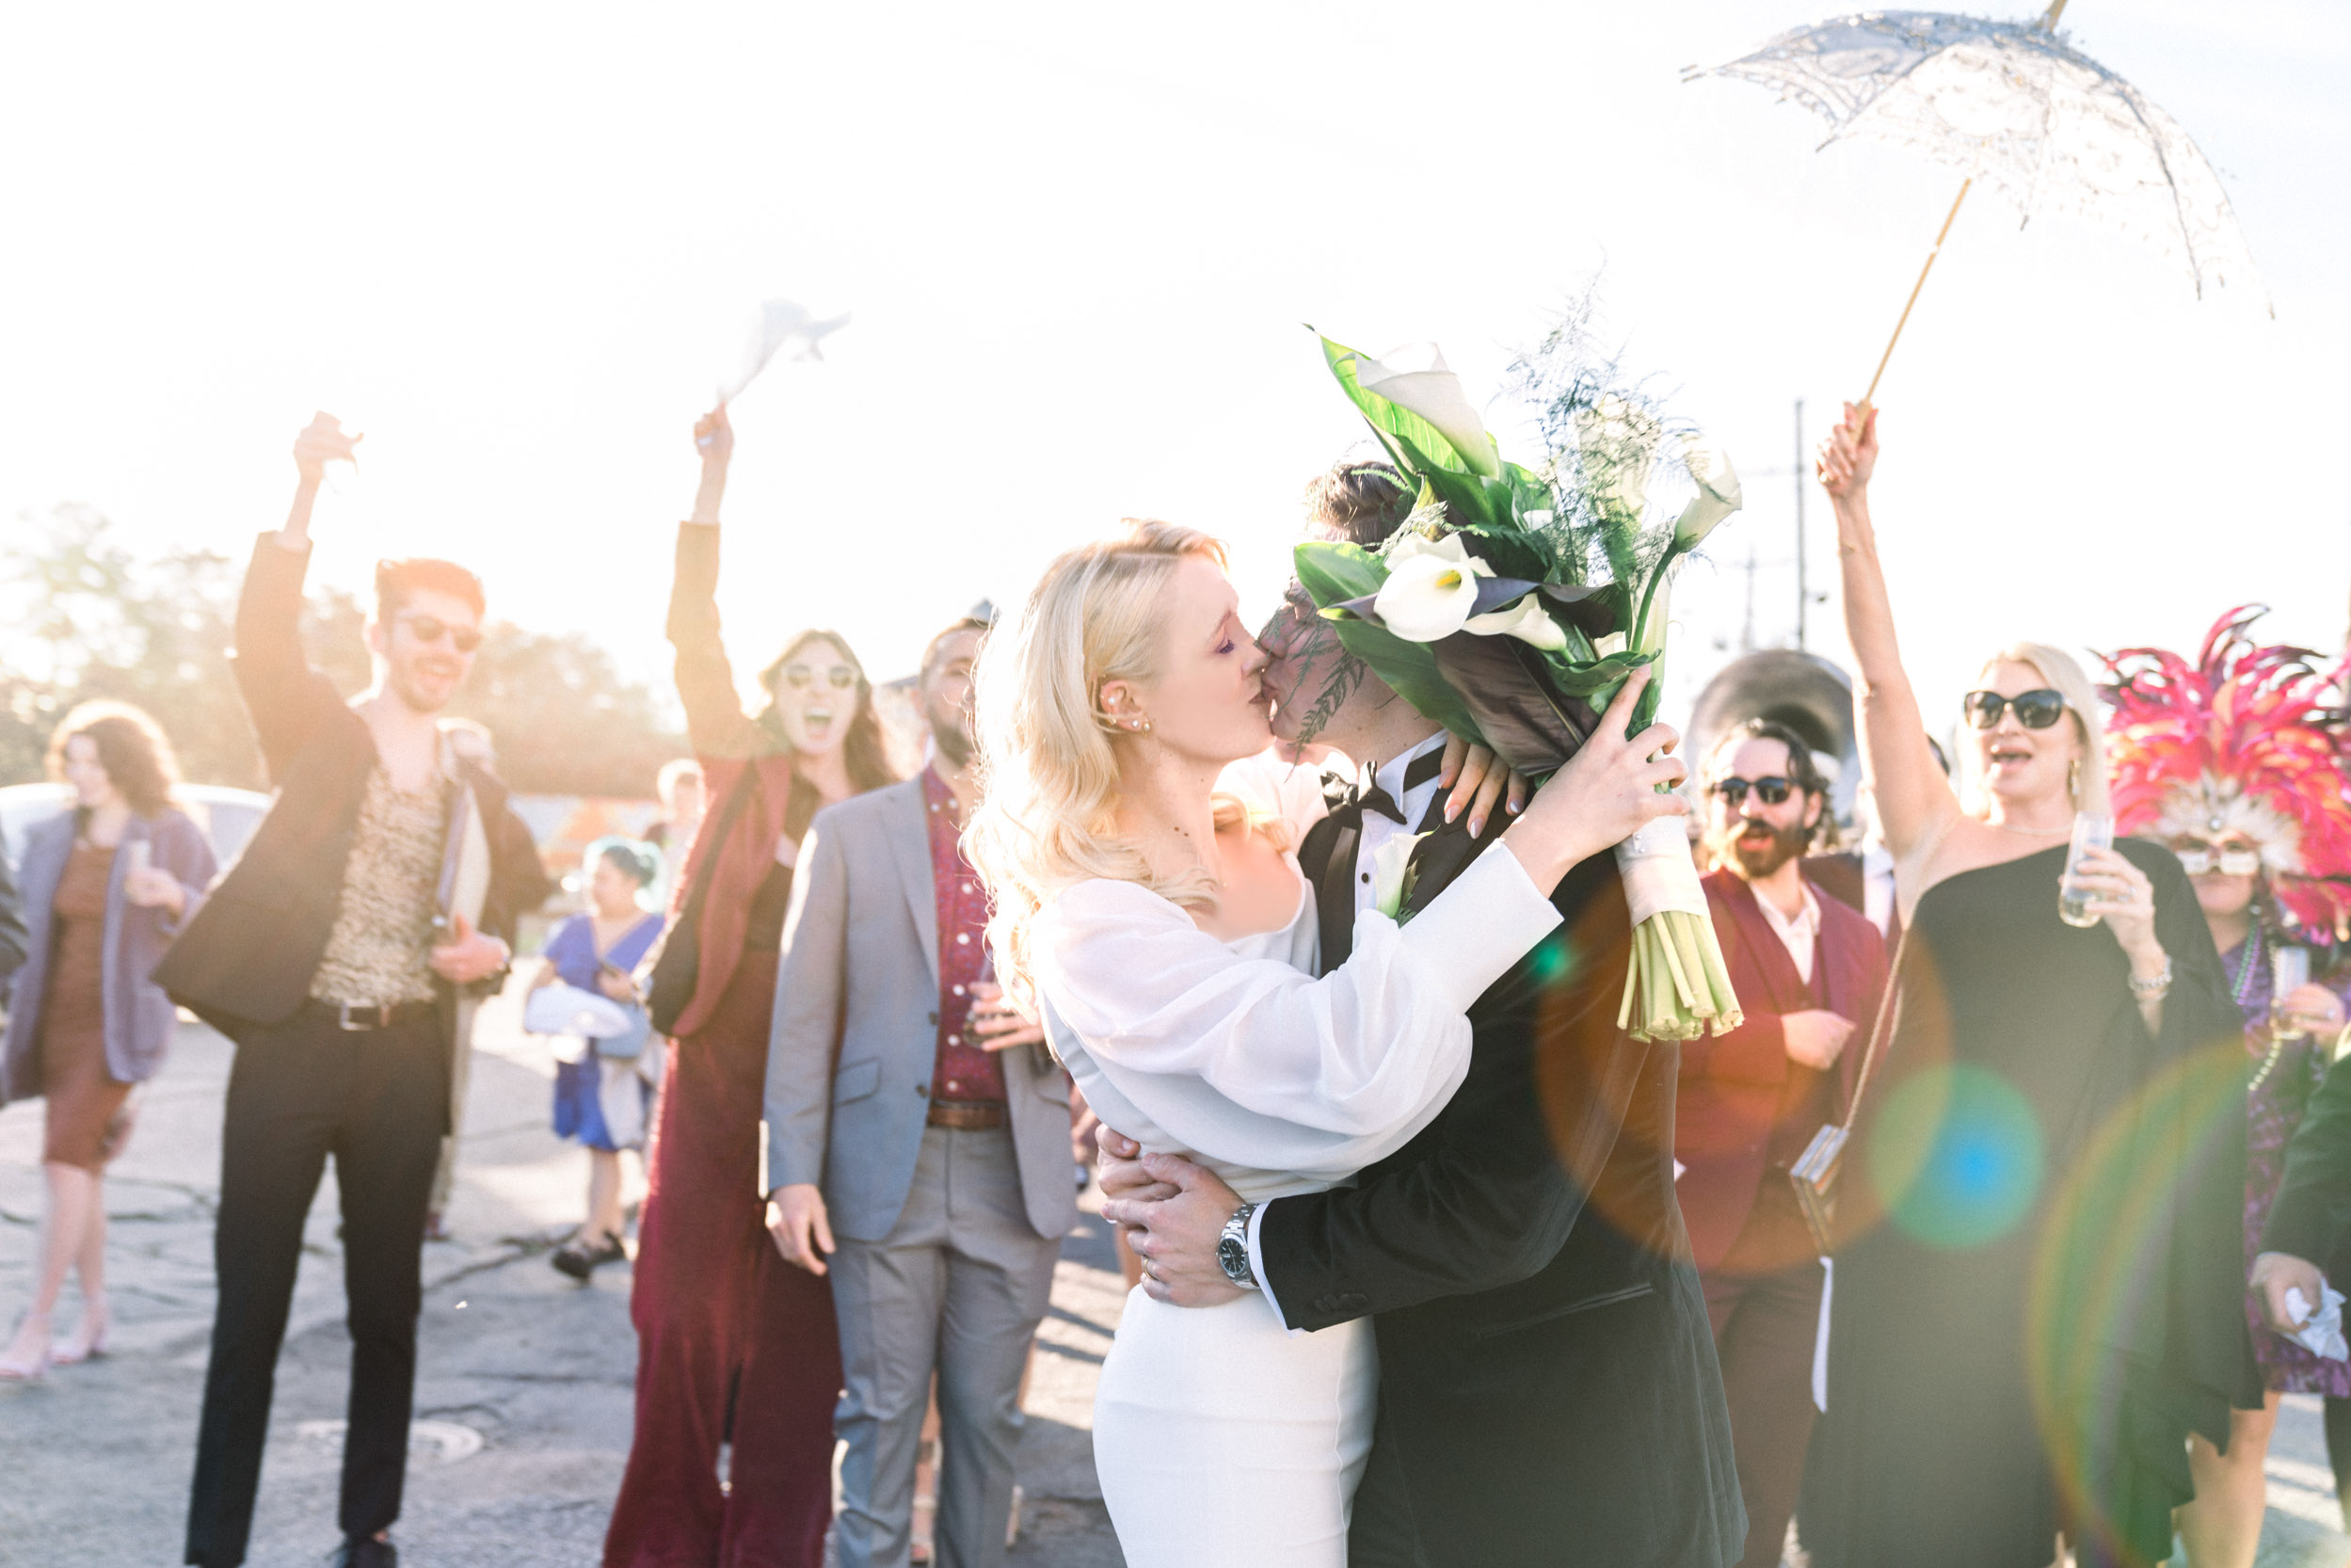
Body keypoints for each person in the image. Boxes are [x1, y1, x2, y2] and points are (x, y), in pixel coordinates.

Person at [970, 507, 1723, 1568]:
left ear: (1398, 626)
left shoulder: (1299, 828)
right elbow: (1327, 1060)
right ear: (1121, 699)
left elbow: (1507, 1204)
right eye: (1228, 636)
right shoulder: (1115, 912)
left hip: (1557, 1440)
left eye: (1286, 609)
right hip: (1235, 1390)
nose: (1267, 644)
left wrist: (1494, 743)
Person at [1796, 404, 2256, 1568]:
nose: (2006, 722)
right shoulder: (1938, 844)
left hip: (2061, 1228)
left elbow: (2199, 1055)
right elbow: (1880, 685)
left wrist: (2147, 946)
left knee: (2032, 1488)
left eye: (2033, 706)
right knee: (1909, 1476)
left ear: (2075, 739)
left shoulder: (2134, 865)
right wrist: (1850, 514)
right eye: (1988, 706)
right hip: (1917, 1212)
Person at [154, 413, 550, 1568]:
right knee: (252, 1314)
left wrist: (493, 961)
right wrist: (303, 493)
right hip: (292, 1049)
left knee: (389, 1309)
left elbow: (503, 926)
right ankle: (212, 1546)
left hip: (403, 1062)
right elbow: (260, 638)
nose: (443, 650)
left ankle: (366, 1527)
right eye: (425, 629)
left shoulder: (477, 783)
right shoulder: (323, 734)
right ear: (382, 634)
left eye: (462, 638)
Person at [601, 406, 898, 1568]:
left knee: (795, 1335)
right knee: (680, 1319)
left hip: (826, 1078)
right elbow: (690, 632)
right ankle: (661, 1544)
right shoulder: (741, 767)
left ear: (862, 697)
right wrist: (710, 480)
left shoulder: (885, 810)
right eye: (801, 673)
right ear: (777, 691)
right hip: (719, 1052)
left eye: (840, 674)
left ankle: (774, 1547)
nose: (819, 689)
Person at [764, 613, 1077, 1568]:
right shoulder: (848, 831)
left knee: (990, 1424)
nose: (970, 683)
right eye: (953, 667)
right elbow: (803, 1014)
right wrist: (790, 1173)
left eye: (991, 672)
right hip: (878, 1168)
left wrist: (1050, 1014)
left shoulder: (1064, 837)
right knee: (881, 1414)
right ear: (918, 693)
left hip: (1011, 1164)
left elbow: (1128, 991)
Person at [2102, 608, 2351, 1566]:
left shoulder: (2309, 961)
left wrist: (2333, 1023)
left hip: (2262, 1216)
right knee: (2130, 1408)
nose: (2213, 861)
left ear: (2271, 855)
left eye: (2233, 844)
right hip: (2148, 1202)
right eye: (2194, 843)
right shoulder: (2130, 946)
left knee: (2239, 1429)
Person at [1679, 719, 1887, 1568]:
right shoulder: (1678, 911)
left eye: (1771, 791)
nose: (1750, 807)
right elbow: (1633, 1050)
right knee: (1672, 1469)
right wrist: (1776, 1040)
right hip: (1689, 1238)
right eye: (1731, 790)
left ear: (1809, 807)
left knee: (1767, 1480)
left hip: (1803, 1253)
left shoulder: (1858, 935)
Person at [0, 702, 219, 1381]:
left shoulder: (171, 831)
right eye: (72, 760)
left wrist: (176, 896)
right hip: (52, 1016)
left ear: (126, 762)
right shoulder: (52, 834)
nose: (81, 774)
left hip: (118, 1024)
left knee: (62, 1162)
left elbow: (225, 917)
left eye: (94, 761)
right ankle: (94, 1312)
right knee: (82, 1171)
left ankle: (34, 1323)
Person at [530, 837, 665, 1281]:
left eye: (603, 878)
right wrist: (538, 1011)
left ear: (631, 882)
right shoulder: (572, 929)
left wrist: (634, 990)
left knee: (629, 1145)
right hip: (582, 1057)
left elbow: (674, 989)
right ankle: (604, 1233)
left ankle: (599, 1238)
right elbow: (540, 980)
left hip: (635, 1060)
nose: (594, 886)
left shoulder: (659, 929)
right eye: (590, 877)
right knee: (599, 1145)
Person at [647, 757, 705, 903]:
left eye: (688, 796)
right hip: (657, 902)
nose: (682, 801)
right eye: (678, 795)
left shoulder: (704, 831)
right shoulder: (655, 831)